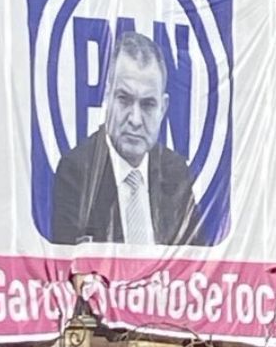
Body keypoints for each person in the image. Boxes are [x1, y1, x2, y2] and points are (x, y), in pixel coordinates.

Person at [51, 31, 206, 247]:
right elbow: (71, 266)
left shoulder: (175, 172)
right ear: (108, 98)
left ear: (163, 108)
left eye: (148, 104)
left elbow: (197, 261)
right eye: (124, 100)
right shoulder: (77, 171)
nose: (135, 119)